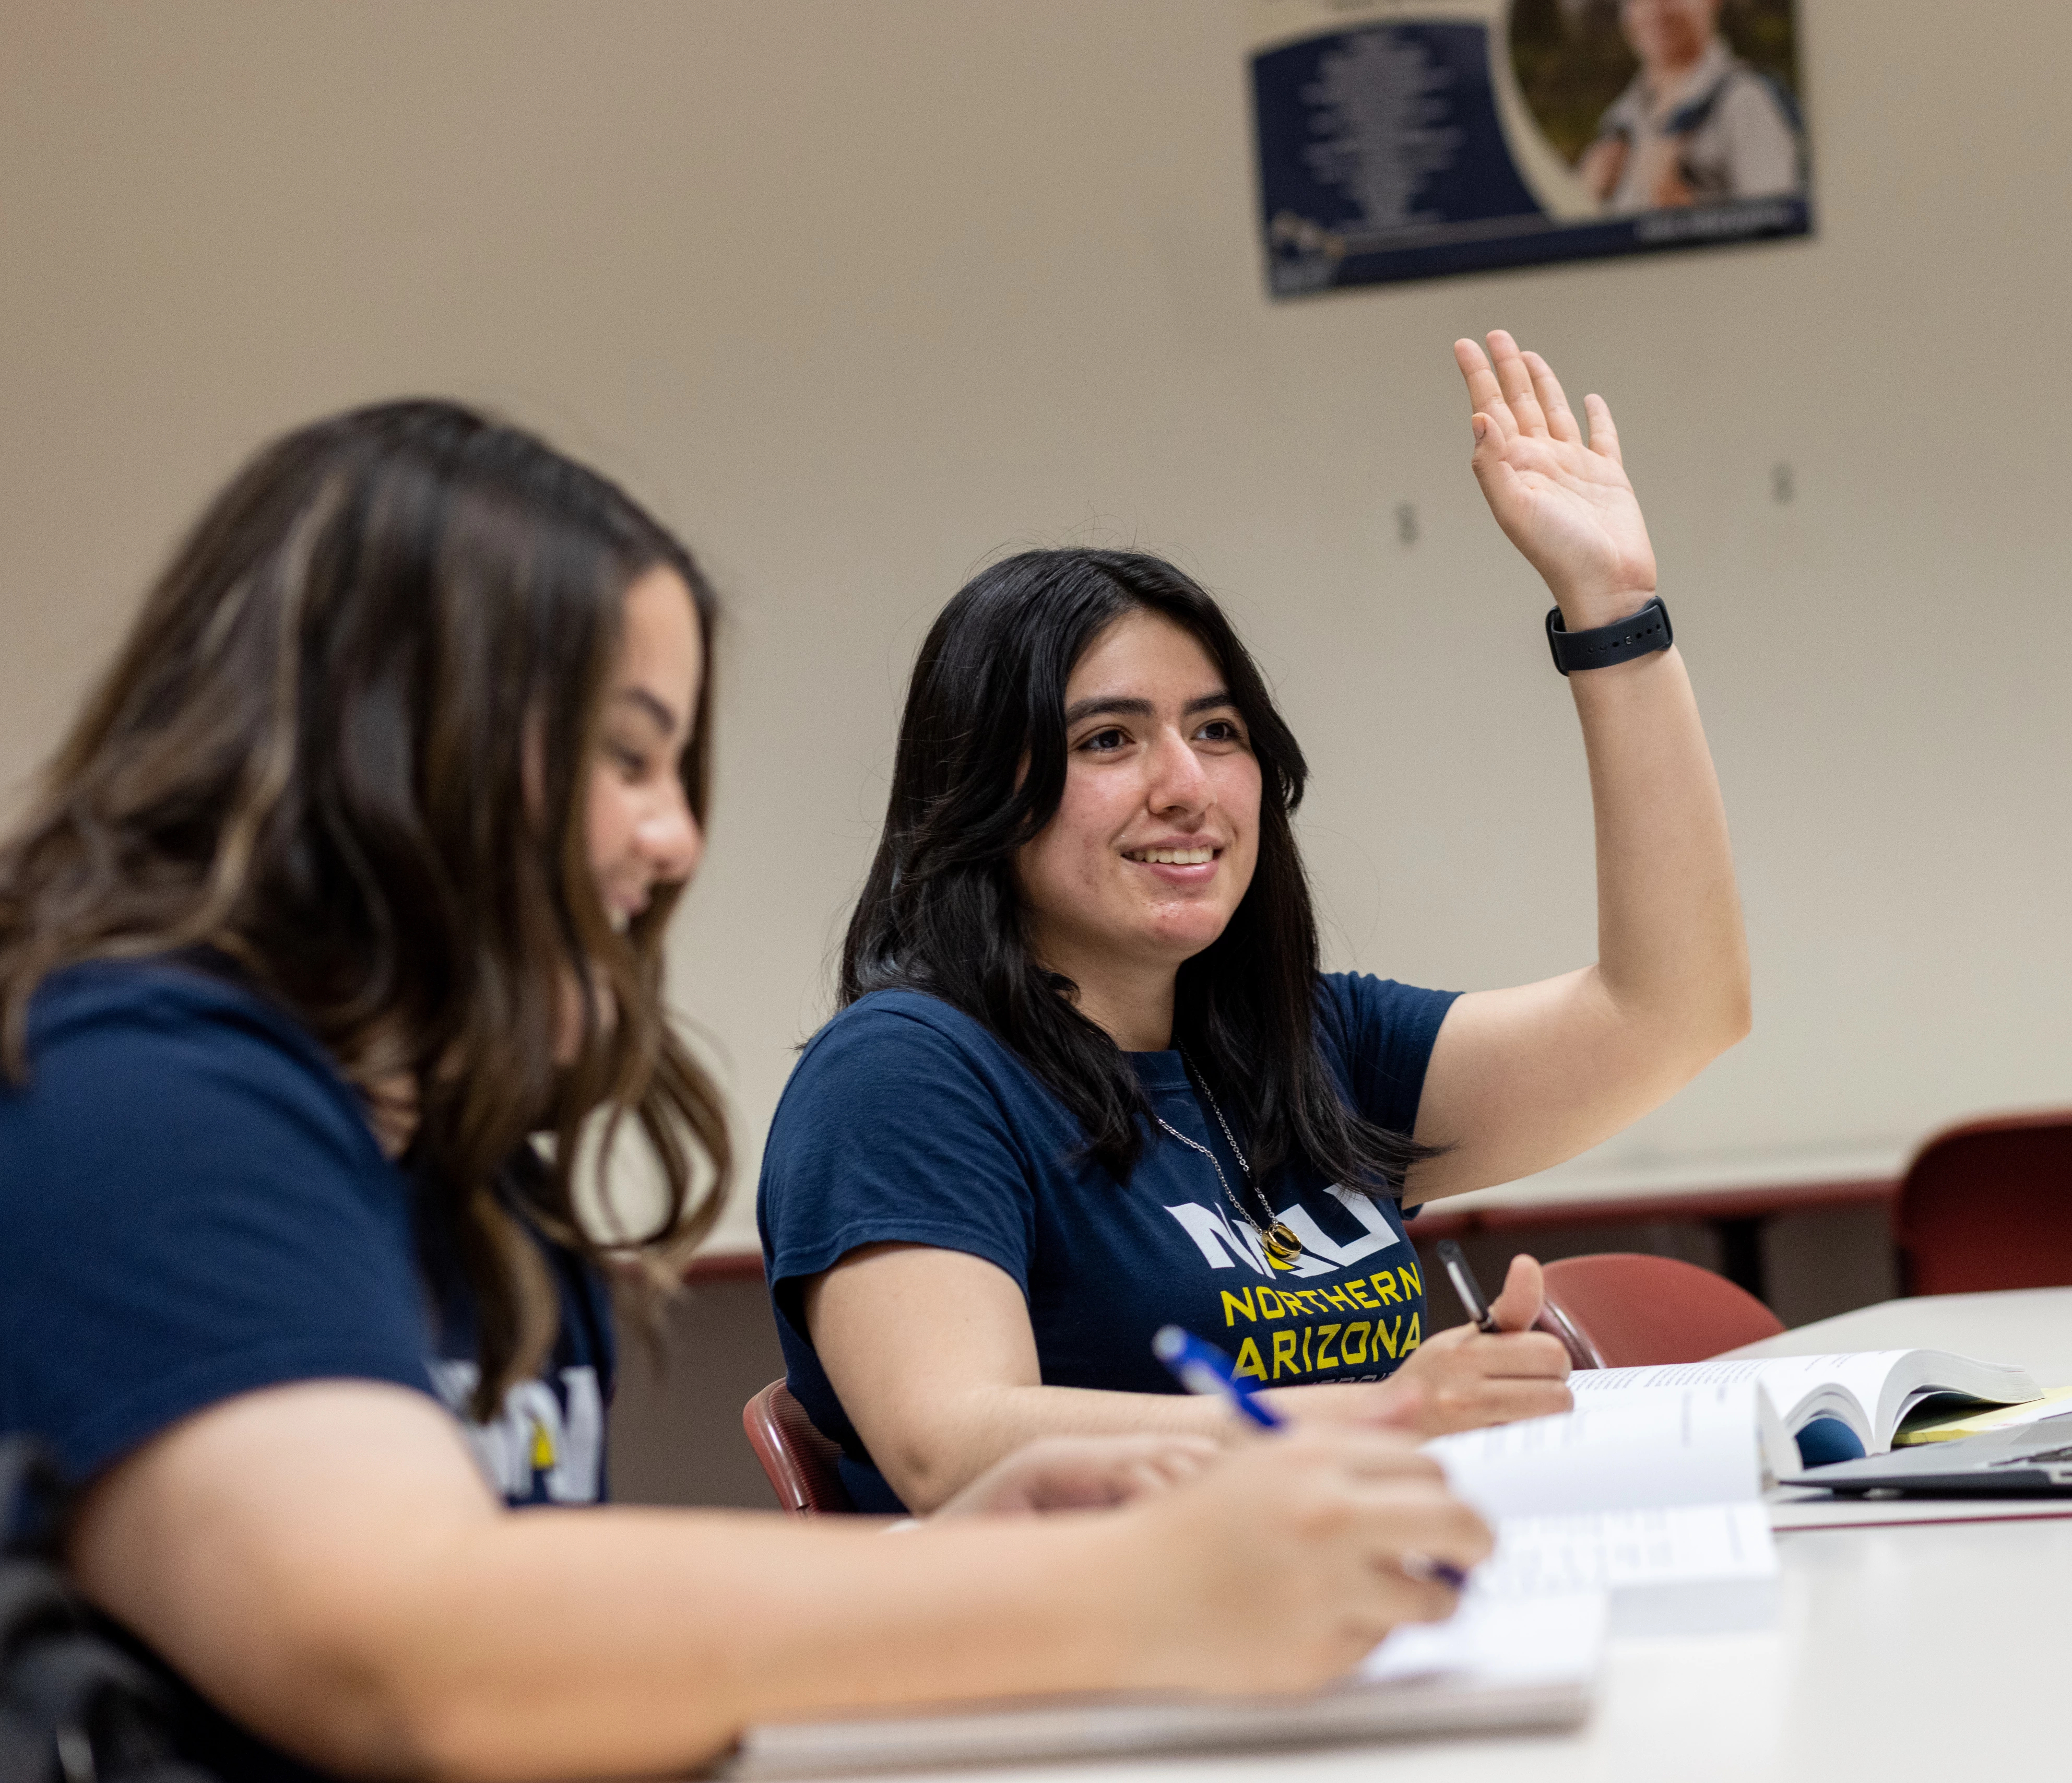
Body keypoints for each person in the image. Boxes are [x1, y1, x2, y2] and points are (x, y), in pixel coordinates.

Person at [0, 402, 1491, 1782]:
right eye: (625, 755)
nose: (672, 835)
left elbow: (528, 1608)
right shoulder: (134, 1086)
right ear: (387, 743)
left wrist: (943, 1562)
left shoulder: (450, 1163)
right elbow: (404, 1646)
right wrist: (1109, 1590)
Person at [759, 331, 1753, 1513]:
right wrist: (1387, 1412)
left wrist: (1615, 611)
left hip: (1347, 1628)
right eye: (1108, 739)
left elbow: (1673, 1009)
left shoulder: (1305, 1043)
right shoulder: (905, 1074)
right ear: (980, 792)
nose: (1187, 782)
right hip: (1081, 1670)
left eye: (1218, 729)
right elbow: (956, 1438)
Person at [1576, 0, 1805, 214]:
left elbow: (1780, 226)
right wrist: (1584, 206)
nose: (1656, 10)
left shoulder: (1746, 100)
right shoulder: (1618, 122)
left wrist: (1682, 209)